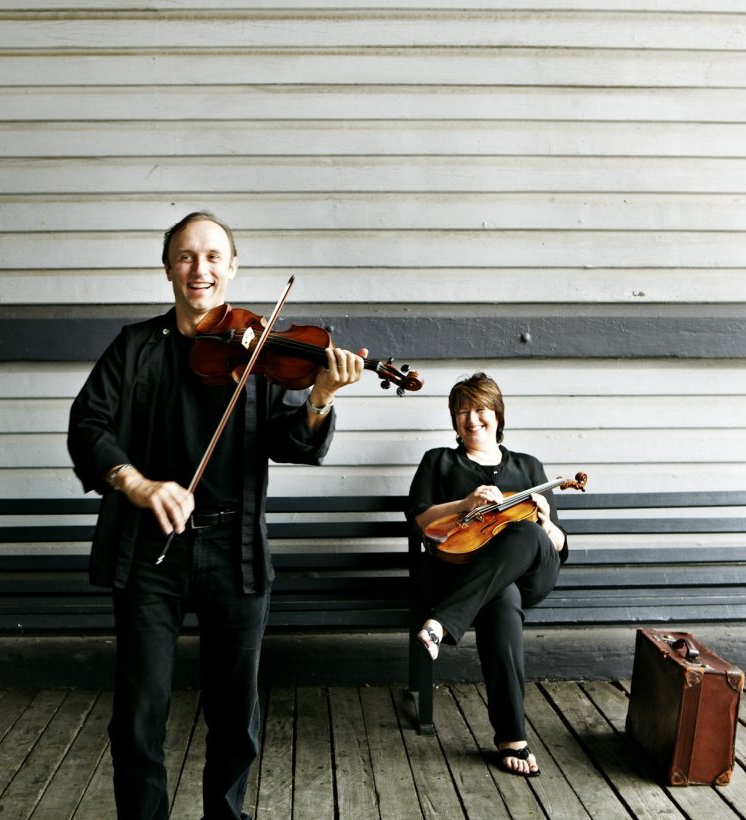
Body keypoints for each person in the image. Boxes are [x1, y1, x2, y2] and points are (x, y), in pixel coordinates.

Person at [67, 211, 366, 819]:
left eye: (212, 257)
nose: (198, 269)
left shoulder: (261, 347)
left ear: (232, 266)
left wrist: (320, 397)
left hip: (235, 550)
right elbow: (87, 427)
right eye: (185, 256)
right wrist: (138, 483)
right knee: (138, 715)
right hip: (149, 550)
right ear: (168, 268)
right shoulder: (135, 347)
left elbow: (293, 442)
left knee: (235, 714)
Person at [406, 371, 567, 777]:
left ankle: (443, 623)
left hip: (532, 571)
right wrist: (463, 503)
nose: (472, 419)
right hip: (457, 573)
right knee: (503, 597)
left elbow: (561, 545)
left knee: (527, 532)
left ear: (497, 414)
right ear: (454, 420)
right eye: (463, 411)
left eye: (480, 409)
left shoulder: (529, 468)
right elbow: (420, 520)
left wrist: (547, 523)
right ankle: (512, 737)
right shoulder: (439, 461)